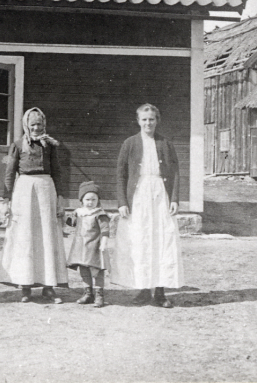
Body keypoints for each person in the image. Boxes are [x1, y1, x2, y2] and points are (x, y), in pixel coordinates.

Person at [111, 103, 184, 308]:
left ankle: (160, 292)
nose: (148, 123)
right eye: (144, 119)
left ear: (157, 120)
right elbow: (120, 174)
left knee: (161, 240)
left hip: (160, 195)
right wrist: (122, 202)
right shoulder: (130, 143)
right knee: (140, 240)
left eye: (151, 119)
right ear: (138, 121)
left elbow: (175, 172)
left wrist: (175, 198)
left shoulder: (165, 143)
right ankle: (143, 289)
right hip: (138, 196)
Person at [0, 107, 69, 303]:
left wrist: (61, 197)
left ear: (44, 125)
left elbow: (57, 172)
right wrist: (6, 199)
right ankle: (25, 285)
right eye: (33, 125)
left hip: (46, 190)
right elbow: (9, 173)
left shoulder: (50, 146)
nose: (36, 128)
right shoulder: (18, 145)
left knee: (46, 236)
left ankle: (48, 286)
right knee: (25, 236)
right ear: (26, 125)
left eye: (40, 124)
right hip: (24, 191)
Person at [65, 181, 111, 308]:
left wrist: (104, 241)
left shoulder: (99, 214)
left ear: (98, 200)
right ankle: (88, 293)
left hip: (95, 246)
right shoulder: (79, 212)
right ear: (82, 200)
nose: (90, 202)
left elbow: (105, 229)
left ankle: (99, 295)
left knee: (97, 271)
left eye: (93, 199)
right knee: (84, 269)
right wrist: (66, 216)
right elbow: (71, 224)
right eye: (87, 199)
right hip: (81, 247)